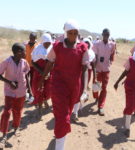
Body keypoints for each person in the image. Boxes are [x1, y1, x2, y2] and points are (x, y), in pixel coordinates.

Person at [38, 19, 89, 150]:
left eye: (75, 33)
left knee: (66, 113)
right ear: (65, 33)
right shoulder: (57, 47)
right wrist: (42, 79)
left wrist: (85, 89)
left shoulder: (83, 48)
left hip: (74, 87)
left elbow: (84, 69)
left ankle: (60, 136)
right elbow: (49, 63)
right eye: (70, 32)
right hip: (58, 85)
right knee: (63, 117)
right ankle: (59, 146)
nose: (72, 35)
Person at [0, 43, 30, 148]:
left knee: (18, 111)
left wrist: (29, 90)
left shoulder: (24, 62)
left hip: (21, 91)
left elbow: (26, 75)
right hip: (10, 92)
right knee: (6, 112)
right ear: (18, 52)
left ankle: (16, 127)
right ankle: (4, 135)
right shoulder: (7, 62)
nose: (26, 53)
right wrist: (9, 82)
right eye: (24, 51)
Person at [72, 37, 96, 122]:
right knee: (77, 92)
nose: (86, 45)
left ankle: (78, 110)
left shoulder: (92, 53)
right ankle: (75, 111)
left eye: (88, 43)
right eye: (85, 43)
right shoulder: (79, 51)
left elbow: (93, 66)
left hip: (87, 74)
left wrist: (95, 77)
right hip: (78, 73)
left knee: (82, 91)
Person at [93, 28, 115, 116]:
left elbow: (112, 54)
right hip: (98, 69)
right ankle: (96, 97)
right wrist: (94, 68)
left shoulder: (112, 44)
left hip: (106, 69)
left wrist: (111, 61)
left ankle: (100, 107)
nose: (106, 36)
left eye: (108, 35)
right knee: (96, 88)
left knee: (104, 88)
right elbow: (94, 56)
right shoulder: (97, 44)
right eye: (105, 34)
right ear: (102, 34)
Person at [31, 33, 52, 119]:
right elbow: (33, 62)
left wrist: (48, 72)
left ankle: (45, 100)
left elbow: (53, 62)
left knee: (48, 90)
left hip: (48, 74)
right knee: (39, 91)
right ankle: (39, 110)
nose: (47, 44)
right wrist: (42, 72)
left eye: (49, 43)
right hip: (39, 74)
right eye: (46, 43)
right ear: (42, 42)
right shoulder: (37, 50)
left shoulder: (51, 49)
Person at [25, 32, 38, 101]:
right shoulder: (26, 45)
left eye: (33, 38)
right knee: (25, 80)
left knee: (32, 81)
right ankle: (27, 93)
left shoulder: (37, 46)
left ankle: (30, 94)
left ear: (35, 38)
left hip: (34, 66)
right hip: (26, 65)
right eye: (30, 38)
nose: (31, 39)